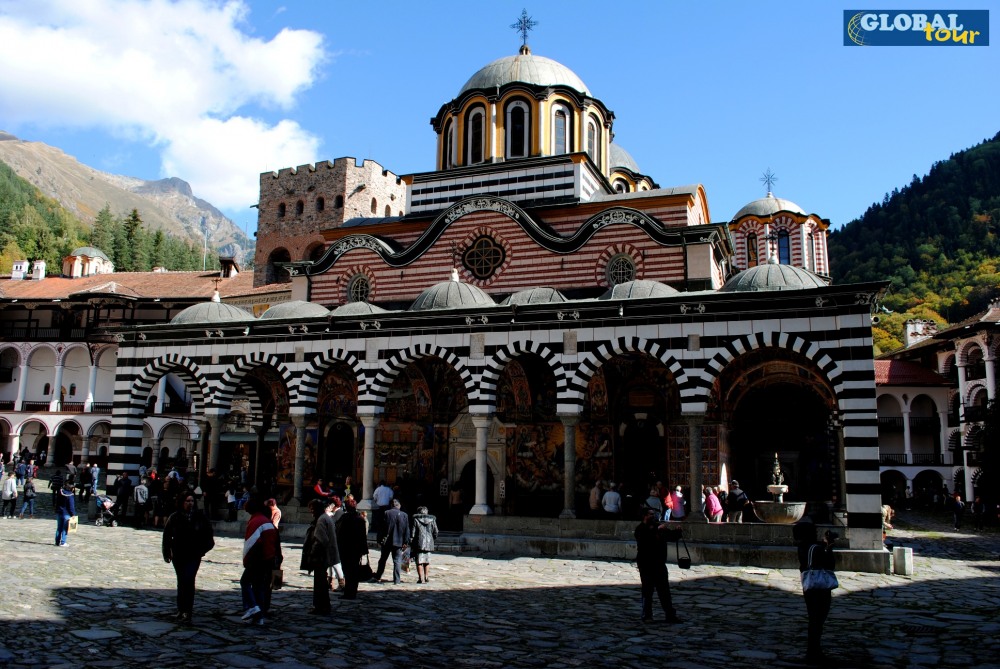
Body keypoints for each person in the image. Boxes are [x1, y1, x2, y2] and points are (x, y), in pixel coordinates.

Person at [162, 492, 215, 624]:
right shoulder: (175, 517)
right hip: (179, 554)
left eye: (192, 501)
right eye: (187, 501)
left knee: (189, 580)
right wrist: (167, 553)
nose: (190, 503)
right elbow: (167, 536)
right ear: (182, 502)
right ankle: (181, 609)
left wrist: (201, 550)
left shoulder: (200, 517)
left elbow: (209, 537)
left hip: (193, 555)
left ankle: (188, 611)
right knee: (181, 581)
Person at [794, 518, 836, 664]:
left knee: (814, 619)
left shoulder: (802, 547)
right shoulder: (815, 548)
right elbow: (829, 564)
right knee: (818, 619)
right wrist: (829, 547)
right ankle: (814, 651)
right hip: (819, 587)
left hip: (809, 587)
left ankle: (813, 650)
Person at [634, 507, 681, 623]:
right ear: (645, 516)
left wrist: (678, 532)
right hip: (646, 564)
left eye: (653, 514)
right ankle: (647, 615)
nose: (653, 516)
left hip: (659, 563)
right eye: (650, 514)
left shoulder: (658, 527)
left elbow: (671, 536)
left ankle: (670, 615)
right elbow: (644, 540)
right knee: (647, 590)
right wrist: (656, 530)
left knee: (664, 591)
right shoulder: (640, 529)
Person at [241, 497, 279, 625]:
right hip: (268, 559)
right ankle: (259, 617)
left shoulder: (256, 521)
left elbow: (251, 544)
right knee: (259, 587)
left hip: (257, 560)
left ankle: (252, 607)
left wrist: (247, 561)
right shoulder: (267, 522)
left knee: (245, 582)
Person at [307, 499, 338, 615]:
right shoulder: (326, 518)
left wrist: (312, 553)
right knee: (322, 582)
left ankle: (320, 606)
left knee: (320, 582)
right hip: (325, 555)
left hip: (320, 557)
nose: (311, 511)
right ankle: (324, 605)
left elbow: (321, 540)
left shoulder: (321, 520)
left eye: (312, 509)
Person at [337, 497, 369, 600]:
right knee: (354, 570)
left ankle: (348, 592)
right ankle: (353, 591)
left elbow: (339, 532)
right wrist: (364, 549)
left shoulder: (344, 518)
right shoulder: (360, 519)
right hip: (356, 549)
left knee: (347, 570)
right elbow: (363, 536)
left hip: (346, 548)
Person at [372, 498, 409, 584]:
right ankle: (397, 580)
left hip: (387, 541)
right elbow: (407, 530)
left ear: (391, 505)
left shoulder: (386, 513)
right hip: (399, 541)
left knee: (383, 560)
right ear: (399, 506)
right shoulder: (404, 515)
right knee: (397, 561)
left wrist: (379, 539)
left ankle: (378, 576)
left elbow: (381, 528)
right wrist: (406, 542)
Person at [410, 505, 440, 584]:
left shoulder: (416, 519)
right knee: (427, 561)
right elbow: (436, 531)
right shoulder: (432, 520)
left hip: (419, 543)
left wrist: (411, 541)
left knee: (419, 562)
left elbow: (413, 532)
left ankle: (420, 578)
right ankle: (426, 577)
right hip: (429, 543)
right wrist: (432, 539)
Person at [54, 480, 76, 547]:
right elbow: (71, 506)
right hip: (66, 513)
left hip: (59, 512)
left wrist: (56, 509)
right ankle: (63, 542)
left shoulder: (60, 492)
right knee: (65, 528)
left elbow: (57, 502)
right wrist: (73, 514)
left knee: (59, 528)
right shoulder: (70, 495)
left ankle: (57, 542)